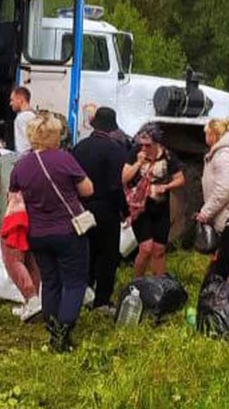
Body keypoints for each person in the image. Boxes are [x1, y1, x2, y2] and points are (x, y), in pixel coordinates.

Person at [9, 113, 94, 352]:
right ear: (55, 136)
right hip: (68, 231)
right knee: (74, 282)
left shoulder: (21, 164)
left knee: (50, 281)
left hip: (37, 233)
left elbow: (14, 195)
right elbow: (87, 189)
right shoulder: (64, 159)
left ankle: (52, 325)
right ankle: (63, 333)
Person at [72, 107, 129, 313]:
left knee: (86, 250)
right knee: (107, 255)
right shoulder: (115, 150)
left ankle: (83, 293)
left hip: (83, 208)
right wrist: (125, 210)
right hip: (107, 209)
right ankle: (102, 300)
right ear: (111, 127)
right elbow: (116, 186)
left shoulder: (80, 147)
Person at [0, 148, 42, 322]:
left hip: (11, 219)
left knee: (13, 261)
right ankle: (33, 302)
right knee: (31, 261)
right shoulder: (33, 161)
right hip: (36, 220)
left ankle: (31, 300)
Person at [123, 123, 185, 277]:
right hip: (141, 207)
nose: (144, 148)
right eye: (141, 144)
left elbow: (180, 179)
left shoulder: (168, 156)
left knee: (159, 249)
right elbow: (124, 178)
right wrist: (138, 163)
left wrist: (167, 186)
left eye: (148, 145)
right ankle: (136, 282)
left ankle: (159, 285)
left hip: (161, 206)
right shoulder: (135, 153)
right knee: (146, 248)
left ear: (157, 143)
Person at [9, 86, 37, 154]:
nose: (10, 104)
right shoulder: (35, 116)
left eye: (12, 100)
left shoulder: (21, 119)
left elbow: (22, 147)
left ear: (20, 100)